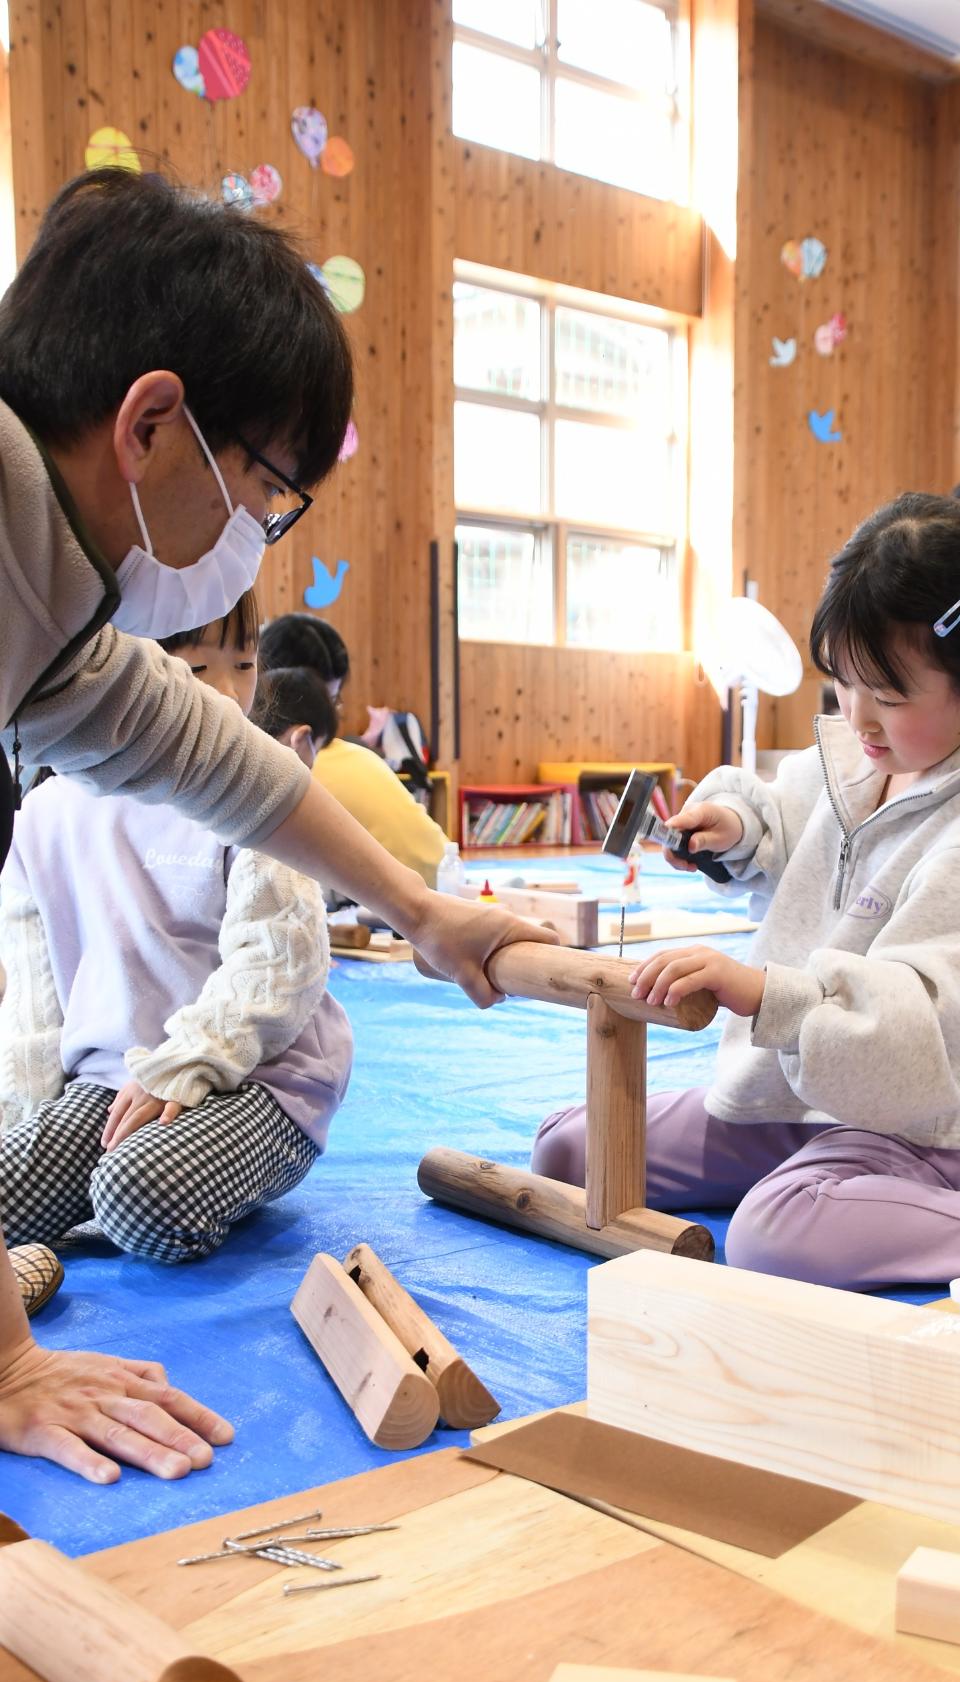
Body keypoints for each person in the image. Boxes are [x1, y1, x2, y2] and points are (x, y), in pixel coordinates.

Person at [0, 169, 548, 1483]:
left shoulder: (53, 605)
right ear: (149, 424)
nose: (254, 534)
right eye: (261, 493)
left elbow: (220, 763)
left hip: (222, 1081)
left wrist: (425, 916)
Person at [533, 494, 960, 1295]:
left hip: (912, 1123)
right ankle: (837, 1196)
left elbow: (930, 1028)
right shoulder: (863, 753)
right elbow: (785, 813)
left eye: (887, 695)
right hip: (788, 1090)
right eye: (842, 683)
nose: (858, 717)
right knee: (569, 1149)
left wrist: (761, 994)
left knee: (774, 1237)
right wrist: (734, 825)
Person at [0, 592, 353, 1263]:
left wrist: (185, 1065)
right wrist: (24, 1127)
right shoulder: (41, 816)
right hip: (112, 1081)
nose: (225, 697)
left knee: (139, 1194)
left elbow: (281, 962)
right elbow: (32, 1008)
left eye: (245, 666)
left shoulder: (255, 783)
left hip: (257, 1080)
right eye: (191, 674)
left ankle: (168, 1185)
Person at [259, 612, 446, 889]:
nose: (328, 713)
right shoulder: (344, 756)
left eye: (333, 701)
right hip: (442, 883)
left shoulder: (304, 763)